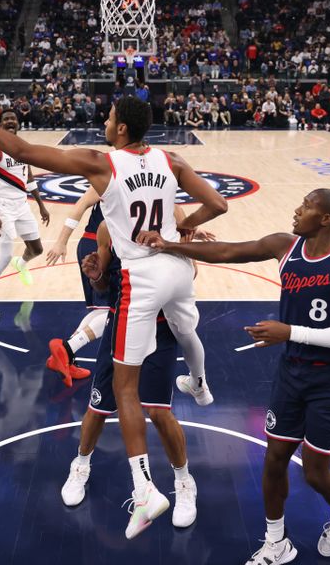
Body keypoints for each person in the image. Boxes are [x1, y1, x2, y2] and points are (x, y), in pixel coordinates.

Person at [0, 94, 228, 537]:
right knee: (113, 394)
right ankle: (187, 391)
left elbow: (23, 152)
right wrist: (178, 232)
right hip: (173, 277)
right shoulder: (170, 161)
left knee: (128, 391)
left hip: (142, 286)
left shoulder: (103, 164)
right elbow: (218, 205)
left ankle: (152, 489)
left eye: (109, 117)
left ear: (122, 130)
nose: (104, 121)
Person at [138, 188, 330, 563]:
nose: (297, 209)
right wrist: (170, 246)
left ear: (326, 219)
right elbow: (228, 251)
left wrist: (289, 332)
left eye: (307, 205)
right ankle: (276, 543)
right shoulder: (286, 246)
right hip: (292, 372)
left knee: (315, 473)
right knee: (274, 458)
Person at [61, 219, 200, 533]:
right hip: (118, 323)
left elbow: (189, 277)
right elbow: (102, 287)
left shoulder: (170, 224)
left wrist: (176, 249)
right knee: (98, 407)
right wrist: (96, 276)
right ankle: (80, 465)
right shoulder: (107, 229)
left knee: (158, 411)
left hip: (161, 327)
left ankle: (183, 481)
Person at [0, 109, 50, 321]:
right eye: (6, 119)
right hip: (2, 207)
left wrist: (41, 205)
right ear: (0, 123)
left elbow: (28, 177)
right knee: (4, 255)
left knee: (37, 249)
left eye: (13, 119)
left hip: (22, 205)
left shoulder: (21, 148)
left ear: (18, 123)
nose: (10, 122)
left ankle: (21, 264)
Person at [44, 187, 108, 386]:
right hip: (98, 247)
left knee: (104, 309)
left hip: (97, 245)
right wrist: (61, 241)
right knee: (116, 310)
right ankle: (68, 348)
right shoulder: (109, 177)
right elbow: (79, 207)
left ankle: (63, 356)